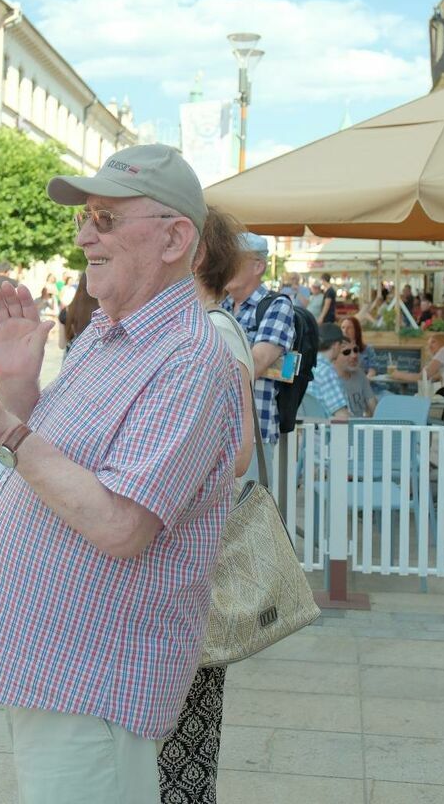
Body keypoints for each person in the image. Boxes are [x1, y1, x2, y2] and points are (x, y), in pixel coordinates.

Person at [0, 145, 241, 803]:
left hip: (93, 678)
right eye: (85, 217)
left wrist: (4, 429)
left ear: (176, 237)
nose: (85, 234)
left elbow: (122, 526)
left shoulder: (189, 359)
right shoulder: (109, 329)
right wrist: (17, 385)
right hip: (55, 665)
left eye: (107, 219)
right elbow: (56, 457)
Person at [157, 206, 255, 804]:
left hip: (193, 547)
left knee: (184, 722)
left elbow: (239, 451)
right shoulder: (206, 325)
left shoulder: (209, 332)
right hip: (187, 546)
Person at [222, 232, 296, 475]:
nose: (225, 266)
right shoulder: (220, 307)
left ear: (258, 266)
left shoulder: (276, 306)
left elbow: (256, 363)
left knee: (248, 510)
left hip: (254, 433)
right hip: (216, 432)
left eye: (234, 260)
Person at [306, 323, 350, 420]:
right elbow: (341, 416)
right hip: (324, 432)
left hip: (302, 431)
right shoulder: (326, 372)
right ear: (336, 345)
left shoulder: (304, 366)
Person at [334, 336, 377, 417]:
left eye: (355, 350)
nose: (354, 355)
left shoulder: (360, 373)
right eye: (346, 352)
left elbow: (372, 405)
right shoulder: (328, 379)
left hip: (361, 426)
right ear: (334, 356)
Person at [57, 271, 99, 352]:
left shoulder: (66, 311)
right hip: (96, 359)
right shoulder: (103, 313)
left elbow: (61, 345)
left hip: (71, 359)